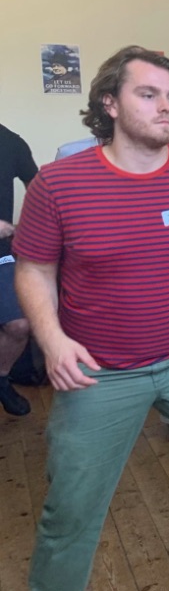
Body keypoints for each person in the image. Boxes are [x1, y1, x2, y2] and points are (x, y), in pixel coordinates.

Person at [14, 46, 169, 591]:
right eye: (148, 94)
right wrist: (52, 340)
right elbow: (34, 270)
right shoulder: (58, 184)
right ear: (110, 103)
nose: (166, 107)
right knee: (72, 505)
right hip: (97, 369)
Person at [0, 123, 38, 416]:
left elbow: (38, 190)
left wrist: (27, 229)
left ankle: (1, 379)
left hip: (1, 253)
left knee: (20, 324)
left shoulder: (11, 142)